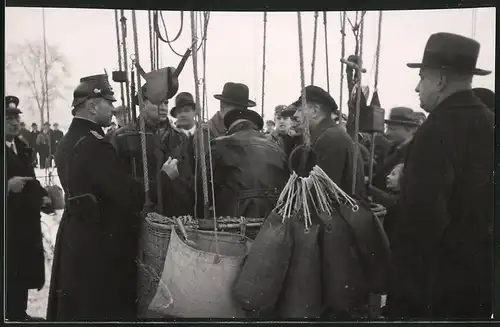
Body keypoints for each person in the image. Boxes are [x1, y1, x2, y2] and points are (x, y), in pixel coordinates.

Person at [386, 32, 494, 319]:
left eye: (422, 77)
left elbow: (422, 220)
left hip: (434, 288)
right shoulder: (489, 120)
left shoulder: (436, 130)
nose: (417, 87)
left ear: (441, 81)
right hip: (478, 281)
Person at [47, 74, 145, 321]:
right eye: (108, 103)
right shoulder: (94, 144)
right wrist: (160, 179)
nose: (113, 109)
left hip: (74, 233)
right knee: (100, 307)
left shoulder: (68, 140)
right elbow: (123, 195)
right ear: (92, 105)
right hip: (100, 240)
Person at [174, 105, 289, 220]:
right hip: (272, 220)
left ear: (230, 127)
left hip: (234, 220)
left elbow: (203, 189)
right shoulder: (277, 149)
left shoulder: (219, 145)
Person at [6, 95, 50, 321]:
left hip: (23, 224)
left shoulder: (21, 147)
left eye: (16, 117)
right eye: (7, 118)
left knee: (19, 268)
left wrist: (44, 197)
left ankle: (18, 314)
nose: (14, 122)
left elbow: (30, 179)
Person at [111, 84, 187, 216]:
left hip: (173, 216)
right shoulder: (123, 137)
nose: (163, 108)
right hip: (137, 216)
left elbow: (188, 179)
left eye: (166, 103)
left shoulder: (181, 137)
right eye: (157, 103)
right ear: (142, 104)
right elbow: (118, 183)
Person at [292, 85, 366, 199]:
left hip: (336, 214)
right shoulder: (331, 135)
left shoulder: (330, 140)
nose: (295, 115)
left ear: (315, 110)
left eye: (300, 110)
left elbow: (322, 195)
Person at [371, 107, 420, 191]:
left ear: (409, 129)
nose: (387, 133)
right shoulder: (390, 148)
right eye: (387, 128)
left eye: (392, 129)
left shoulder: (416, 153)